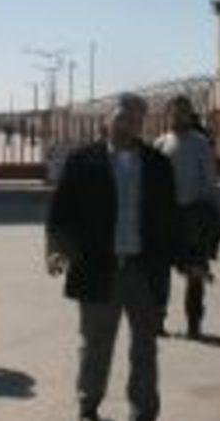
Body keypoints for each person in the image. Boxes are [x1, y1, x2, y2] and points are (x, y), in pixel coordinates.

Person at [46, 93, 189, 421]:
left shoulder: (157, 164)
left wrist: (189, 259)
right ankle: (89, 406)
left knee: (145, 346)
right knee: (95, 343)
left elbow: (170, 219)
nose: (129, 124)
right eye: (122, 117)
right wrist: (57, 249)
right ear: (106, 121)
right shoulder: (82, 162)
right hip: (98, 267)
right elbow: (61, 212)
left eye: (136, 119)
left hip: (144, 271)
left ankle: (143, 411)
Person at [153, 95, 220, 339]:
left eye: (183, 111)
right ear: (168, 114)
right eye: (175, 112)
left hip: (194, 215)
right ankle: (157, 320)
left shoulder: (200, 143)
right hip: (166, 217)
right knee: (160, 270)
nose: (179, 116)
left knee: (195, 272)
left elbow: (210, 180)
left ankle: (194, 323)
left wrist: (214, 213)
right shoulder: (160, 143)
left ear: (190, 114)